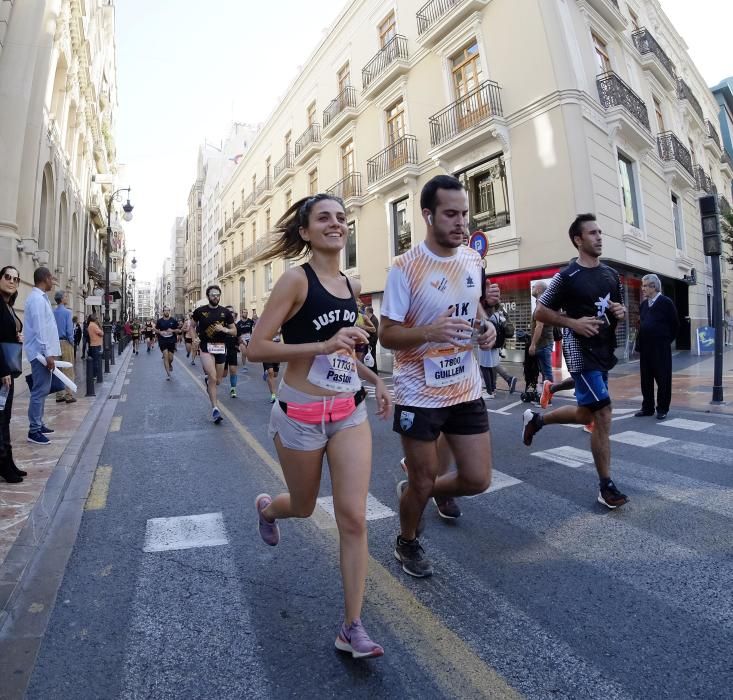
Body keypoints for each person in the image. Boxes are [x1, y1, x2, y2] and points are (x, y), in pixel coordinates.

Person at [247, 193, 390, 660]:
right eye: (324, 218)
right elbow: (257, 349)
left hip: (349, 412)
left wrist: (374, 381)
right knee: (305, 507)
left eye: (341, 218)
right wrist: (322, 345)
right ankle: (270, 510)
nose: (336, 224)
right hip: (300, 416)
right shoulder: (295, 280)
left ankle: (351, 626)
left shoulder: (350, 284)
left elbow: (342, 354)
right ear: (306, 232)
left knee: (353, 517)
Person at [379, 175, 497, 579]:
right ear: (428, 215)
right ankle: (407, 540)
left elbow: (475, 309)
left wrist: (487, 326)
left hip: (464, 386)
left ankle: (415, 492)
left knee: (478, 479)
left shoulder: (472, 259)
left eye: (464, 213)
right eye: (451, 214)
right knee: (424, 477)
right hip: (419, 392)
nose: (461, 222)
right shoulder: (404, 268)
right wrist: (429, 332)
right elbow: (387, 335)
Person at [522, 213, 628, 509]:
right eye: (592, 233)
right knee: (603, 412)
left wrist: (619, 315)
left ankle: (537, 419)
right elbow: (540, 312)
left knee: (587, 415)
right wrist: (573, 323)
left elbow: (614, 311)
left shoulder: (611, 275)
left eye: (600, 232)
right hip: (580, 352)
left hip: (603, 350)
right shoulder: (566, 276)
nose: (599, 237)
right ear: (578, 240)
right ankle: (605, 485)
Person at [634, 273, 679, 420]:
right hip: (646, 348)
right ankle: (647, 408)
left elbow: (675, 325)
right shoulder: (643, 305)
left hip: (661, 348)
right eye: (643, 285)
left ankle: (662, 409)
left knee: (663, 379)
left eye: (645, 286)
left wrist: (665, 341)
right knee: (645, 380)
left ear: (654, 286)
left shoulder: (666, 303)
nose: (643, 289)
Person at [23, 267, 59, 445]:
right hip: (40, 354)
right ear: (45, 278)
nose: (53, 281)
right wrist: (47, 353)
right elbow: (40, 329)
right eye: (51, 278)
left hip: (42, 353)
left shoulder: (40, 298)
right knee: (39, 391)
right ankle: (34, 430)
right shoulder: (37, 300)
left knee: (43, 389)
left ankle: (39, 423)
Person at [193, 285, 236, 423]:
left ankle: (210, 381)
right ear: (208, 296)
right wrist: (194, 338)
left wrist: (224, 329)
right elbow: (191, 325)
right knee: (212, 377)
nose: (215, 297)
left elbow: (234, 331)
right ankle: (215, 409)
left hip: (220, 347)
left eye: (218, 294)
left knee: (217, 380)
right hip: (206, 347)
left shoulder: (225, 312)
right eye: (213, 295)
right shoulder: (200, 311)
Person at [0, 266, 27, 483]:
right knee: (0, 418)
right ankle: (3, 464)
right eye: (7, 277)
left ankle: (8, 462)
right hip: (2, 371)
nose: (12, 281)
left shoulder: (9, 306)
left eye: (16, 279)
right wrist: (2, 369)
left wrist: (17, 336)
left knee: (5, 417)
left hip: (8, 370)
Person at [52, 290, 76, 404]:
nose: (67, 298)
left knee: (57, 369)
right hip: (65, 342)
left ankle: (59, 394)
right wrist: (72, 342)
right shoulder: (67, 313)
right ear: (61, 299)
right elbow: (69, 330)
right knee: (68, 369)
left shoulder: (52, 312)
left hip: (54, 343)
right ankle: (68, 395)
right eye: (65, 296)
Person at [528, 281, 554, 385]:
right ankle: (545, 397)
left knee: (547, 373)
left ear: (538, 289)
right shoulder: (543, 303)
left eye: (533, 287)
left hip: (543, 344)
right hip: (544, 343)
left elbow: (539, 326)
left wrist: (533, 344)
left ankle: (547, 399)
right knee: (545, 372)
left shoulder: (542, 304)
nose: (532, 288)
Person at [155, 307, 179, 380]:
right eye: (165, 310)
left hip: (171, 340)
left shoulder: (173, 320)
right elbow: (155, 329)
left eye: (168, 310)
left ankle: (170, 364)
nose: (166, 312)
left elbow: (178, 330)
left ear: (169, 311)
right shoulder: (159, 321)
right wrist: (160, 332)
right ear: (163, 312)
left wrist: (172, 330)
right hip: (163, 340)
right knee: (165, 355)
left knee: (171, 358)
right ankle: (168, 374)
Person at [224, 306, 242, 397]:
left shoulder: (237, 326)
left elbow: (239, 338)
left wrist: (241, 343)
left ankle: (233, 389)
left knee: (233, 370)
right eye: (229, 311)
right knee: (223, 375)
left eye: (232, 311)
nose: (231, 313)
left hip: (232, 350)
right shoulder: (221, 325)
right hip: (222, 351)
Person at [364, 305, 379, 373]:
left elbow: (374, 332)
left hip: (371, 342)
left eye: (365, 311)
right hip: (368, 341)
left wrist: (371, 343)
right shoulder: (371, 319)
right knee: (368, 357)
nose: (364, 312)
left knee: (372, 356)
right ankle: (370, 371)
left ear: (368, 311)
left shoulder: (374, 320)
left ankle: (374, 372)